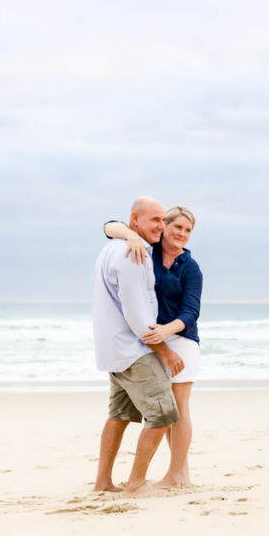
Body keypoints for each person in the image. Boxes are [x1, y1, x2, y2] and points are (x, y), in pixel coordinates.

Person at [104, 205, 202, 488]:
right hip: (153, 342)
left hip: (181, 341)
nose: (182, 234)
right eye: (177, 227)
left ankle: (178, 474)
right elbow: (109, 226)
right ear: (165, 227)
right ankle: (178, 475)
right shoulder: (150, 251)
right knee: (167, 408)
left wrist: (166, 331)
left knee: (180, 408)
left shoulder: (191, 267)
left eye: (187, 230)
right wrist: (131, 237)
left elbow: (190, 312)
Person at [92, 197, 183, 497]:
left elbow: (108, 226)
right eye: (154, 220)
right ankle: (135, 485)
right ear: (135, 219)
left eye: (163, 220)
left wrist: (129, 234)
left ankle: (102, 483)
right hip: (134, 352)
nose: (161, 226)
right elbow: (137, 315)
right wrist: (165, 352)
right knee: (163, 415)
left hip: (113, 351)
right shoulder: (135, 253)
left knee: (118, 416)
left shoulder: (113, 247)